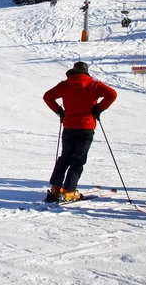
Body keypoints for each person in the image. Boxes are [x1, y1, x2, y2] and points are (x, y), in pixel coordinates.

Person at [43, 61, 117, 202]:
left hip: (69, 126)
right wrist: (99, 109)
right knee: (78, 160)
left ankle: (55, 188)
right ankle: (69, 191)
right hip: (86, 128)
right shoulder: (93, 84)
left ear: (73, 71)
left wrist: (60, 112)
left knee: (65, 157)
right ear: (86, 72)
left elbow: (47, 97)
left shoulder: (65, 84)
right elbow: (112, 94)